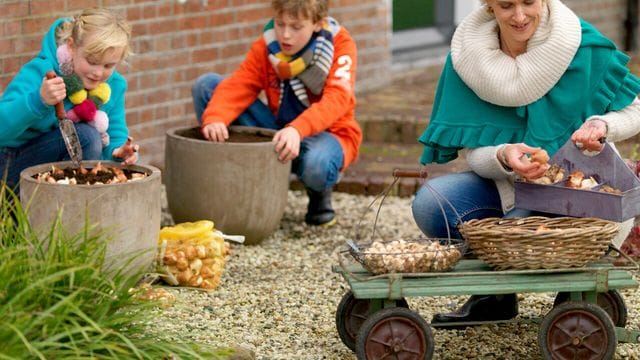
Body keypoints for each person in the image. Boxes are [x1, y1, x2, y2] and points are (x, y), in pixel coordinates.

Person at [412, 0, 640, 327]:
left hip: (583, 190)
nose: (519, 16)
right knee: (430, 205)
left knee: (519, 223)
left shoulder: (580, 44)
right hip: (509, 186)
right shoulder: (469, 57)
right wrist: (504, 156)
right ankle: (497, 300)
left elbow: (635, 110)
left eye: (529, 2)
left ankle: (571, 294)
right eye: (506, 5)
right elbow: (474, 154)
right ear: (488, 5)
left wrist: (603, 127)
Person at [191, 0, 362, 226]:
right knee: (207, 87)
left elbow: (337, 99)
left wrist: (297, 129)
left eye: (296, 27)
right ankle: (241, 185)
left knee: (317, 164)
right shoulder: (268, 45)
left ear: (317, 24)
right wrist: (214, 118)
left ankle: (319, 192)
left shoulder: (340, 44)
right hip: (280, 129)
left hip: (328, 134)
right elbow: (240, 84)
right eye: (280, 24)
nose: (285, 35)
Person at [0, 8, 140, 192]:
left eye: (108, 65)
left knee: (89, 138)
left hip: (54, 170)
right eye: (92, 61)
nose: (98, 72)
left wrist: (118, 152)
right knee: (86, 137)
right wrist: (38, 100)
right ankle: (30, 206)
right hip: (10, 163)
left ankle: (67, 208)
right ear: (72, 46)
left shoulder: (114, 86)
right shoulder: (42, 71)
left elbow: (115, 133)